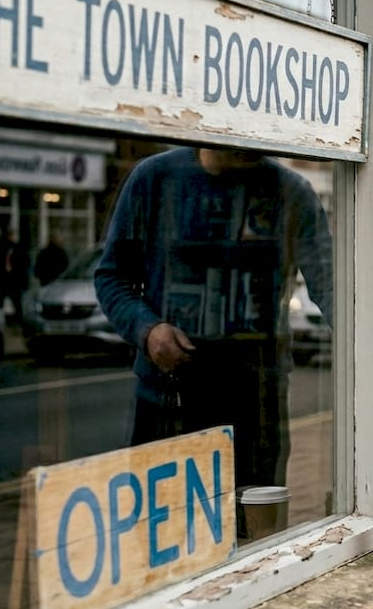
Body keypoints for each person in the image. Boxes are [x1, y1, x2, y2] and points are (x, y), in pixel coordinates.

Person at [94, 147, 333, 500]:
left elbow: (331, 286)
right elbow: (112, 276)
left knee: (254, 522)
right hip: (168, 398)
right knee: (165, 523)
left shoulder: (292, 191)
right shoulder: (154, 178)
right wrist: (148, 330)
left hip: (256, 402)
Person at [0, 228, 28, 322]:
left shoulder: (18, 249)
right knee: (0, 302)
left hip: (14, 280)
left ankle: (18, 320)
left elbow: (25, 263)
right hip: (4, 280)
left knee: (16, 302)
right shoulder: (1, 248)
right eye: (10, 235)